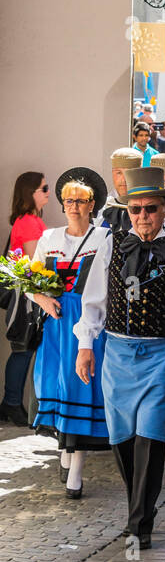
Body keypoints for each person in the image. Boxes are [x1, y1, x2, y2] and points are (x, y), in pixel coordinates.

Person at [75, 167, 165, 549]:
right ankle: (141, 507)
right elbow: (94, 300)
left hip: (161, 353)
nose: (143, 216)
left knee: (151, 435)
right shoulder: (112, 244)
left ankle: (139, 523)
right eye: (135, 210)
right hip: (117, 353)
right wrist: (86, 344)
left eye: (151, 208)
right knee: (121, 439)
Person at [29, 169, 111, 497]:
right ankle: (65, 451)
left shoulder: (104, 238)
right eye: (68, 201)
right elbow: (29, 281)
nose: (73, 206)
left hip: (89, 324)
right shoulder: (49, 238)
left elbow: (107, 287)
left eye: (80, 201)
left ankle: (76, 471)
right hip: (55, 323)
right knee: (58, 386)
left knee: (81, 390)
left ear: (92, 205)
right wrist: (43, 300)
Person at [0, 171, 51, 425]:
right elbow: (35, 266)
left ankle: (10, 403)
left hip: (27, 294)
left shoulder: (28, 220)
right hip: (27, 296)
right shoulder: (29, 222)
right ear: (30, 193)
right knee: (23, 349)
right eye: (44, 188)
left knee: (24, 349)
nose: (48, 192)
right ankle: (11, 404)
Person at [101, 149, 142, 235]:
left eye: (129, 173)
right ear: (112, 173)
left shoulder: (151, 209)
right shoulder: (102, 207)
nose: (124, 180)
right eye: (119, 173)